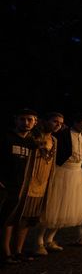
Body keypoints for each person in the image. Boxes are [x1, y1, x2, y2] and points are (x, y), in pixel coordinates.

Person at [42, 113, 82, 247]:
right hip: (62, 172)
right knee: (54, 206)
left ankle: (49, 239)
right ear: (76, 122)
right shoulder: (63, 134)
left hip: (76, 174)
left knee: (66, 207)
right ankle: (39, 240)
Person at [19, 113, 62, 257]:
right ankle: (10, 250)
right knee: (19, 216)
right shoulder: (33, 137)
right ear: (45, 121)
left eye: (60, 123)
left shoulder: (54, 140)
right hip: (29, 181)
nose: (58, 125)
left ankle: (20, 249)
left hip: (43, 182)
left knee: (30, 218)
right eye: (55, 121)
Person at [1, 109, 38, 265]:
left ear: (35, 122)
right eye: (22, 119)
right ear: (15, 120)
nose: (26, 122)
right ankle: (5, 253)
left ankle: (16, 251)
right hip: (6, 185)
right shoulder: (6, 138)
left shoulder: (31, 142)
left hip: (23, 186)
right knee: (5, 219)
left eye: (30, 119)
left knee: (19, 219)